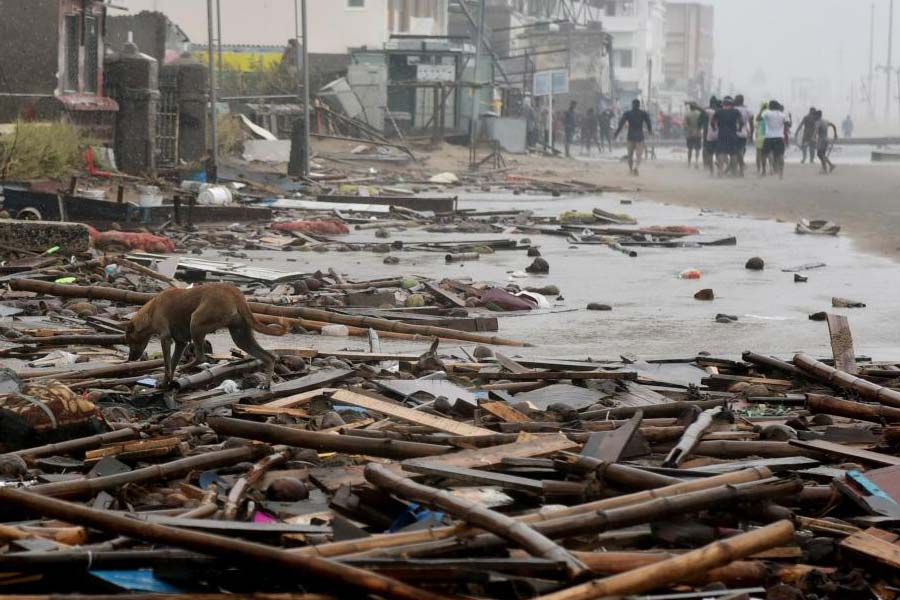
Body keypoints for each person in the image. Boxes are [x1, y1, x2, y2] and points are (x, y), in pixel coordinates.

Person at [614, 98, 653, 175]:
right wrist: (650, 131)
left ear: (632, 105)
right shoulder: (643, 113)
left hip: (630, 137)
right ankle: (636, 167)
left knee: (630, 155)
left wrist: (616, 133)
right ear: (639, 105)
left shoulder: (628, 113)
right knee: (639, 155)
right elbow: (648, 122)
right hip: (639, 137)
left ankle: (631, 170)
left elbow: (621, 124)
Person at [711, 96, 744, 176]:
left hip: (722, 135)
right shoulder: (736, 111)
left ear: (723, 104)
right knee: (733, 153)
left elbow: (712, 121)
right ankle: (734, 172)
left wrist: (714, 128)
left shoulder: (719, 111)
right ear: (732, 104)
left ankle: (720, 172)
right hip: (732, 135)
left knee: (721, 152)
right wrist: (739, 129)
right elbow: (741, 121)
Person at [761, 100, 791, 178]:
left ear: (770, 106)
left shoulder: (766, 112)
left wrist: (762, 110)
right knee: (780, 155)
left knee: (764, 155)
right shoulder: (783, 115)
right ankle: (781, 173)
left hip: (768, 137)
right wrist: (788, 119)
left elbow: (759, 119)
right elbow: (788, 125)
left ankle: (764, 171)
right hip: (779, 137)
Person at [734, 94, 753, 177]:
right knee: (740, 151)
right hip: (744, 133)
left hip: (734, 133)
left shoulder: (733, 109)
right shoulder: (747, 110)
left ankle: (740, 169)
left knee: (736, 152)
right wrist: (751, 134)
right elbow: (751, 123)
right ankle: (740, 170)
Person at [815, 109, 838, 173]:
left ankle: (830, 165)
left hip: (821, 140)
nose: (814, 117)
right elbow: (833, 125)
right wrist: (835, 133)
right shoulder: (825, 121)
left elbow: (816, 131)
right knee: (822, 154)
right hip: (826, 140)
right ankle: (825, 169)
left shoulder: (818, 122)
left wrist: (814, 136)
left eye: (815, 115)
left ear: (818, 115)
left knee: (819, 154)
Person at [701, 96, 720, 175]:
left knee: (707, 151)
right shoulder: (720, 110)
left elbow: (700, 121)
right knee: (718, 152)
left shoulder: (706, 110)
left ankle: (707, 166)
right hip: (718, 133)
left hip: (707, 132)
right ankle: (719, 167)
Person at [684, 102, 703, 168]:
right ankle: (696, 162)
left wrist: (689, 130)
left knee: (690, 149)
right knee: (697, 149)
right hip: (698, 134)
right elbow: (702, 124)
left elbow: (685, 125)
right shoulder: (699, 114)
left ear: (690, 107)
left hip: (690, 134)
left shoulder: (687, 114)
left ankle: (689, 162)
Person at [755, 102, 768, 175]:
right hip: (768, 136)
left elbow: (757, 121)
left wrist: (761, 110)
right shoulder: (770, 114)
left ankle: (758, 169)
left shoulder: (759, 115)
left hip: (760, 136)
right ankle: (764, 170)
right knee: (767, 154)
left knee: (758, 154)